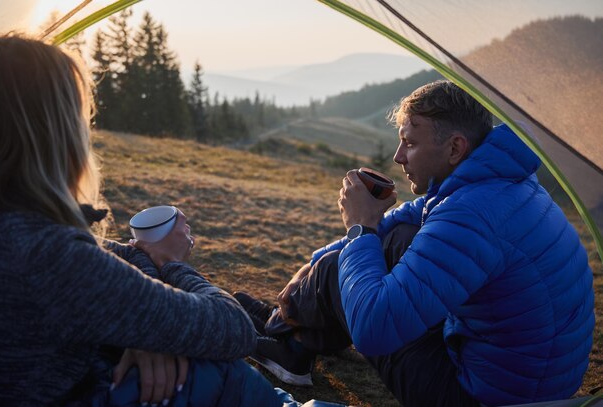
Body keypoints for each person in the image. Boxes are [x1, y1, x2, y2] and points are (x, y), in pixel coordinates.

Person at [236, 80, 595, 406]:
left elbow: (373, 329)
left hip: (481, 396)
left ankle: (286, 342)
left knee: (340, 270)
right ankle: (288, 328)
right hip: (523, 377)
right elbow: (411, 215)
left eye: (410, 142)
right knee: (393, 240)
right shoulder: (496, 179)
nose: (398, 156)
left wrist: (359, 228)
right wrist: (318, 257)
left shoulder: (469, 216)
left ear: (455, 147)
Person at [0, 34, 284, 406]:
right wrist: (171, 264)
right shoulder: (45, 254)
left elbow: (108, 256)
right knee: (211, 372)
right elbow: (232, 329)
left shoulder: (0, 227)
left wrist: (145, 326)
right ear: (57, 136)